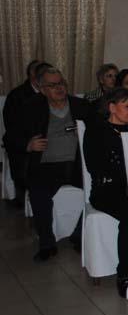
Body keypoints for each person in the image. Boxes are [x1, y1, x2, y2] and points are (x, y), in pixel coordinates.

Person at [8, 67, 94, 260]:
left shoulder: (81, 106)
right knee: (39, 195)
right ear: (42, 89)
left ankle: (79, 234)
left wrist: (85, 135)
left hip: (76, 165)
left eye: (61, 83)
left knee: (101, 191)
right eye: (52, 85)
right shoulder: (30, 108)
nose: (59, 88)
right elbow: (10, 137)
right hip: (45, 165)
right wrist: (28, 145)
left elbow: (98, 131)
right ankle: (47, 243)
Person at [83, 88, 128, 297]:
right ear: (112, 107)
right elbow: (95, 167)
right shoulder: (97, 132)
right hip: (106, 190)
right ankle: (124, 272)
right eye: (127, 107)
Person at [2, 59, 44, 206]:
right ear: (32, 75)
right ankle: (24, 195)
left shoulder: (52, 93)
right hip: (24, 140)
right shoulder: (17, 96)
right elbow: (12, 127)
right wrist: (28, 143)